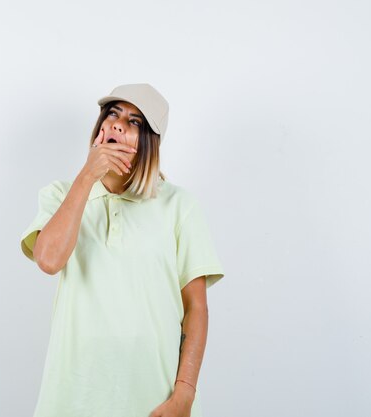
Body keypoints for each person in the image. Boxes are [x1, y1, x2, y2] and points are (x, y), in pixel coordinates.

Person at [20, 83, 225, 417]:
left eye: (135, 122)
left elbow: (196, 308)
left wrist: (184, 395)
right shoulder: (61, 195)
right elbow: (49, 260)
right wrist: (87, 177)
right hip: (74, 399)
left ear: (150, 143)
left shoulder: (178, 206)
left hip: (155, 401)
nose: (118, 124)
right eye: (112, 114)